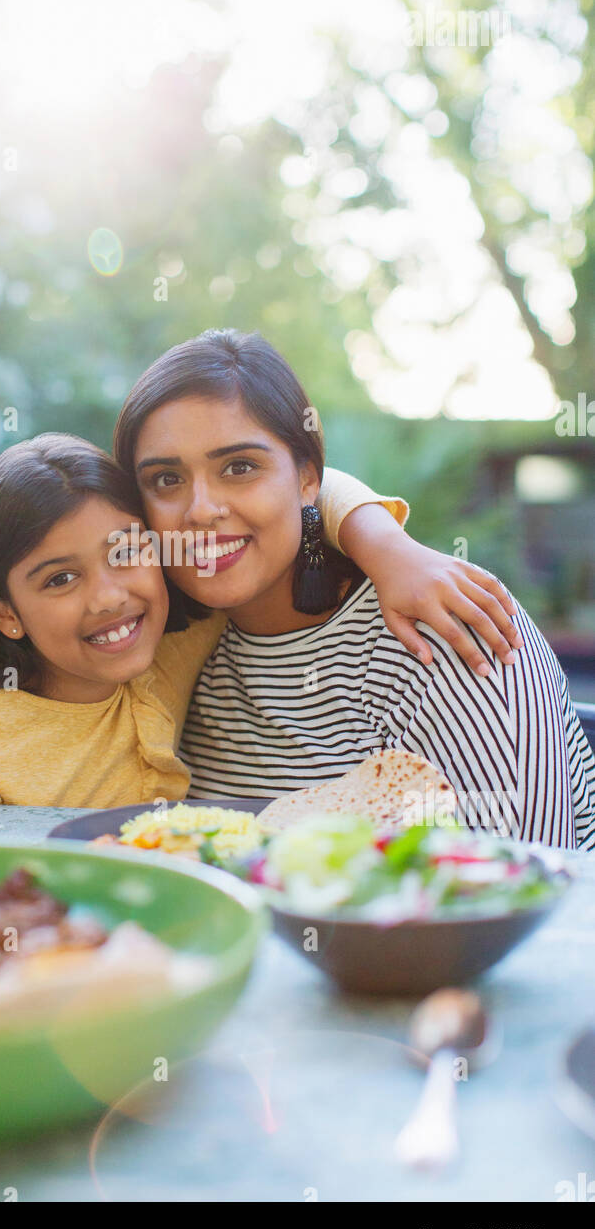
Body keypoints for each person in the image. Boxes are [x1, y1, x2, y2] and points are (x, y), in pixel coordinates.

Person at [112, 329, 595, 849]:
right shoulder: (165, 647)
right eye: (165, 479)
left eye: (240, 467)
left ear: (306, 478)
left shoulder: (443, 628)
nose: (201, 509)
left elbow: (520, 884)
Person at [0, 432, 408, 805]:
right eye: (60, 579)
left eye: (124, 552)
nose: (109, 597)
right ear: (3, 610)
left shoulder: (168, 647)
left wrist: (386, 546)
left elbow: (299, 482)